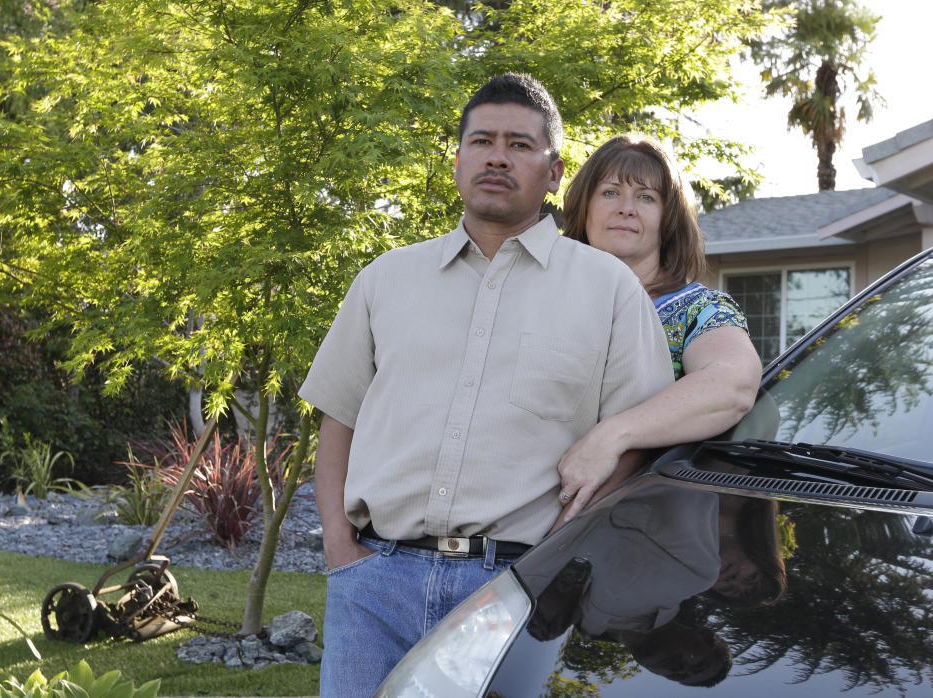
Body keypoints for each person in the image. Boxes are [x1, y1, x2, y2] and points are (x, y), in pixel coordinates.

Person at [299, 74, 675, 696]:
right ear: (458, 159)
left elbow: (634, 445)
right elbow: (340, 417)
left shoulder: (608, 290)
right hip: (374, 584)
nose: (498, 156)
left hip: (516, 592)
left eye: (520, 145)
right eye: (482, 141)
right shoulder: (385, 279)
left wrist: (549, 567)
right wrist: (341, 547)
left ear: (554, 172)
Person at [556, 134, 763, 520]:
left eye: (646, 197)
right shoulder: (541, 299)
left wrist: (611, 438)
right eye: (610, 193)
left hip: (628, 527)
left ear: (668, 220)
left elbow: (732, 385)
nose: (627, 208)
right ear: (583, 208)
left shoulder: (699, 309)